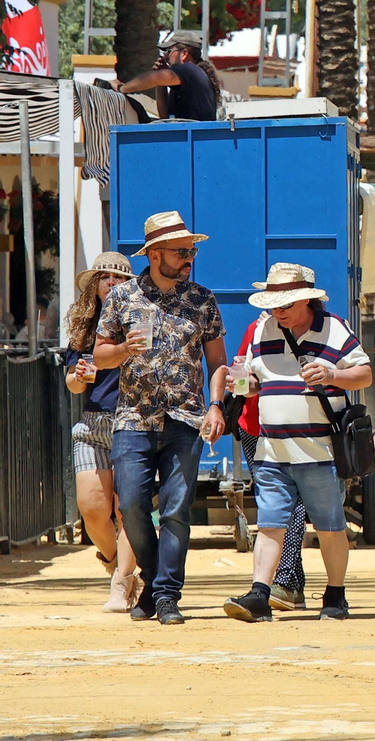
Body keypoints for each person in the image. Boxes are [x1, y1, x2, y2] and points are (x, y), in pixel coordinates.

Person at [94, 211, 228, 625]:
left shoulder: (202, 299)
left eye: (191, 251)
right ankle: (152, 580)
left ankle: (167, 594)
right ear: (154, 254)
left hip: (186, 420)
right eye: (180, 251)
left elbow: (218, 361)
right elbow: (100, 355)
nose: (189, 257)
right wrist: (122, 351)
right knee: (131, 505)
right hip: (133, 419)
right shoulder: (122, 297)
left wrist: (216, 404)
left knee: (175, 510)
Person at [219, 263, 372, 622]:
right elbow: (256, 381)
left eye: (285, 303)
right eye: (274, 302)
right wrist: (244, 386)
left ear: (306, 300)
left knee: (330, 527)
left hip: (320, 450)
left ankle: (335, 596)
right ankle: (259, 594)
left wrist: (333, 374)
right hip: (272, 448)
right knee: (271, 524)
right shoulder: (260, 330)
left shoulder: (335, 328)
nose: (278, 310)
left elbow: (364, 372)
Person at [63, 251, 139, 612]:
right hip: (93, 422)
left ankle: (121, 586)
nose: (112, 284)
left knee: (128, 511)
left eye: (120, 278)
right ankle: (116, 566)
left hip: (132, 420)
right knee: (92, 508)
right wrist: (78, 377)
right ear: (95, 284)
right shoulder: (84, 326)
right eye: (105, 277)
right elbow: (73, 385)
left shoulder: (140, 321)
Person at [225, 312, 312, 611]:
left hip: (301, 426)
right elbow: (241, 374)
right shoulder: (256, 328)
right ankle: (289, 583)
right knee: (273, 502)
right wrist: (237, 382)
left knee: (294, 502)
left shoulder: (324, 327)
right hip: (255, 425)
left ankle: (287, 580)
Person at [115, 30, 220, 120]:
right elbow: (164, 117)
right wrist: (162, 82)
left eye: (169, 51)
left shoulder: (188, 69)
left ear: (184, 54)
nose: (165, 56)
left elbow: (152, 78)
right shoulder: (192, 75)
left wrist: (121, 88)